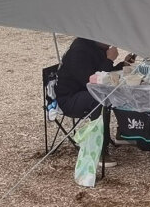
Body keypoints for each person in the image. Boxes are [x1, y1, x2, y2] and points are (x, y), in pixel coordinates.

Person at [55, 37, 135, 167]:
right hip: (69, 98)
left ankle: (124, 132)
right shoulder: (79, 49)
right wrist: (109, 60)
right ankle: (100, 151)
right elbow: (91, 81)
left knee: (119, 89)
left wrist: (123, 65)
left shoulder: (98, 47)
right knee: (99, 98)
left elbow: (103, 73)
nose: (110, 42)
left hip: (86, 91)